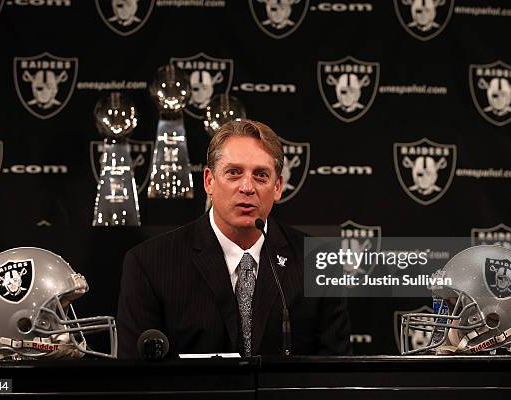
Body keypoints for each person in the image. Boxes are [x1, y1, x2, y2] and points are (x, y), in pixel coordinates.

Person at [117, 119, 351, 358]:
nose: (247, 187)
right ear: (209, 181)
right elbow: (137, 381)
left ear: (278, 187)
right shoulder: (150, 263)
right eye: (234, 173)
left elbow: (336, 377)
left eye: (260, 175)